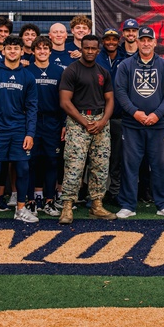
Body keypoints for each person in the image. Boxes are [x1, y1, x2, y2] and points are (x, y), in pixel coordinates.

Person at [114, 26, 164, 218]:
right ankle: (128, 205)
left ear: (155, 42)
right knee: (129, 165)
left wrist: (157, 114)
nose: (146, 43)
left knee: (161, 165)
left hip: (158, 125)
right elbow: (120, 91)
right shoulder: (125, 65)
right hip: (132, 125)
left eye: (149, 40)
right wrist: (135, 112)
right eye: (142, 40)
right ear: (137, 42)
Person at [0, 36, 38, 225]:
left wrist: (30, 133)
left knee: (23, 168)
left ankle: (20, 209)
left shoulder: (28, 76)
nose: (13, 51)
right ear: (3, 51)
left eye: (16, 48)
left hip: (19, 130)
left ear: (22, 52)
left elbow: (32, 107)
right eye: (9, 48)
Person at [57, 34, 116, 224]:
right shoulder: (71, 71)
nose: (90, 51)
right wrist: (84, 122)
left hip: (100, 122)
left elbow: (110, 100)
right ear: (81, 49)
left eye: (93, 48)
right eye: (86, 48)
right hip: (78, 121)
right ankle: (67, 207)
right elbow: (65, 102)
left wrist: (102, 121)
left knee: (100, 166)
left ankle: (96, 205)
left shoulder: (103, 72)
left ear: (98, 50)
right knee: (74, 166)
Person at [25, 36, 66, 216]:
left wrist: (64, 123)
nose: (42, 51)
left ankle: (49, 200)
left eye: (45, 48)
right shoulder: (27, 71)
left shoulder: (59, 71)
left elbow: (64, 100)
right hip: (31, 122)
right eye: (38, 48)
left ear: (50, 51)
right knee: (31, 161)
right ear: (33, 51)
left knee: (51, 161)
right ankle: (32, 200)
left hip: (52, 122)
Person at [98, 28, 126, 202]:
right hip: (99, 116)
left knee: (117, 158)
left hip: (118, 117)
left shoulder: (125, 58)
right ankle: (96, 194)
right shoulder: (97, 57)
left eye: (114, 39)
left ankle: (115, 192)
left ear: (118, 41)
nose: (110, 42)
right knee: (98, 158)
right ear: (103, 41)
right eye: (107, 39)